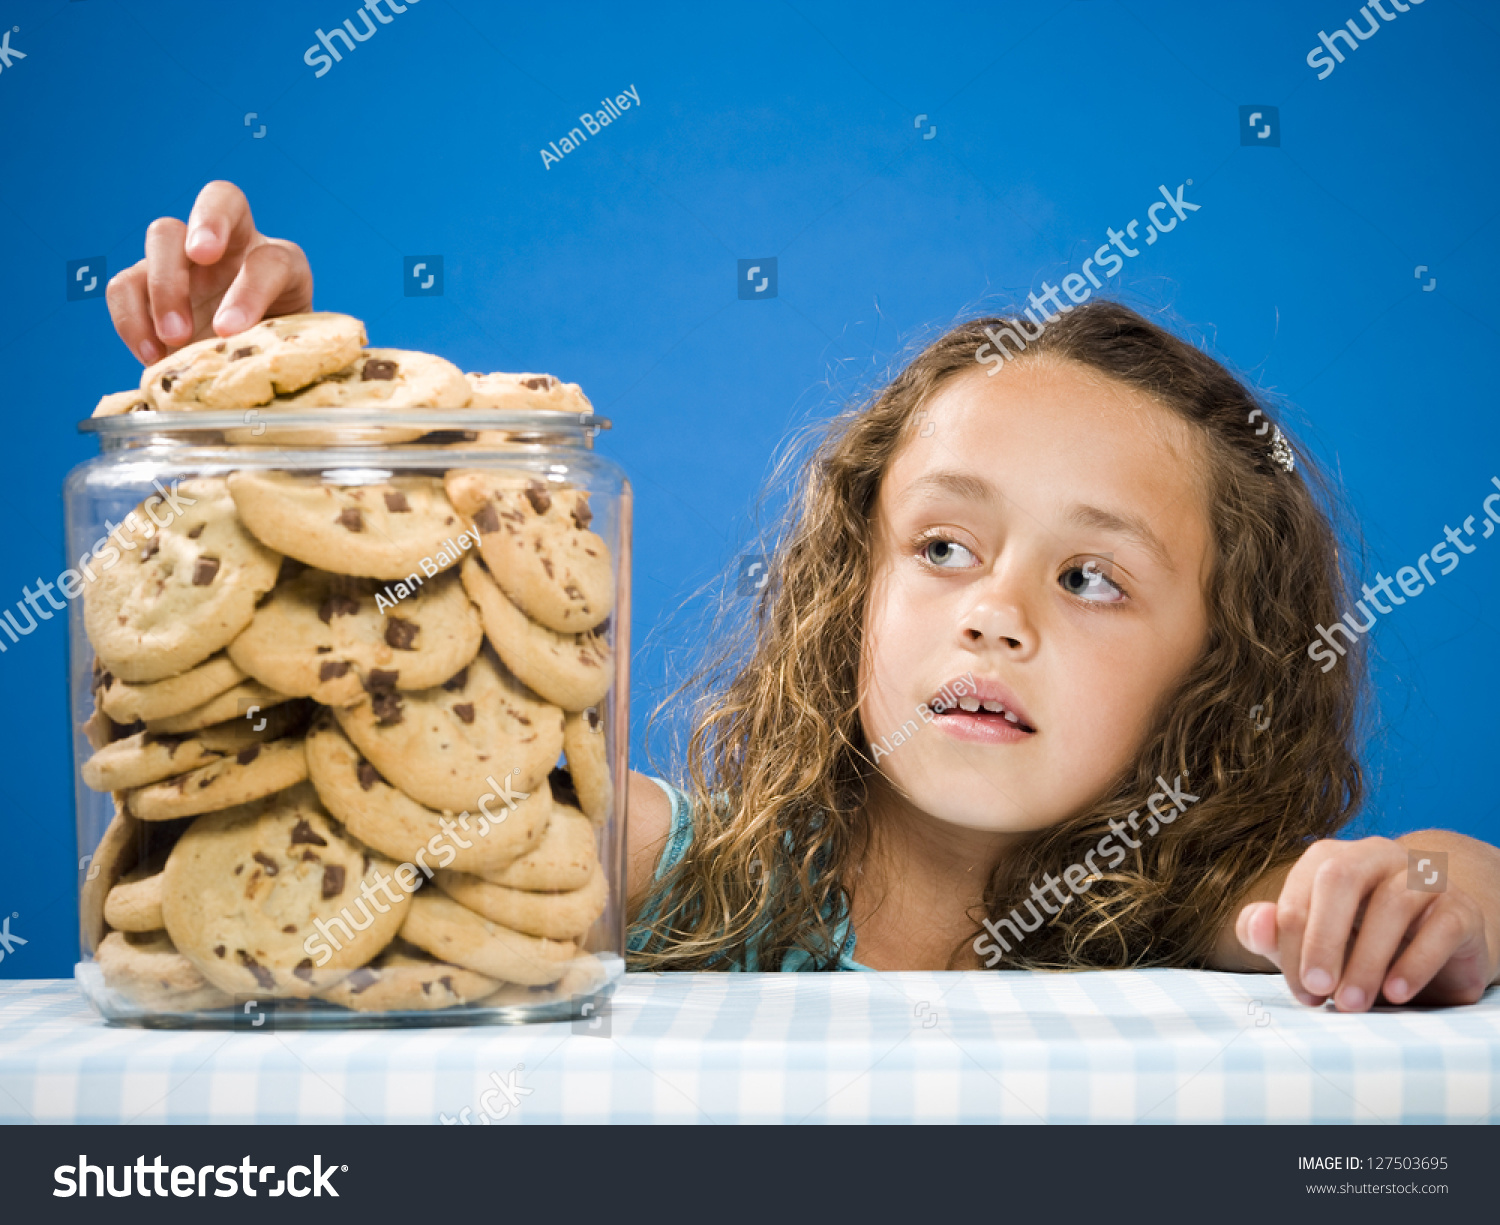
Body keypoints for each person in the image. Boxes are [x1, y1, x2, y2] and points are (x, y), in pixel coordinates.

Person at [108, 181, 1500, 1011]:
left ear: (1219, 671)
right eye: (944, 549)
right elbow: (360, 753)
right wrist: (286, 422)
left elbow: (1436, 893)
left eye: (1088, 577)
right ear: (853, 595)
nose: (993, 611)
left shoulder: (1190, 918)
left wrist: (1412, 895)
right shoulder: (688, 876)